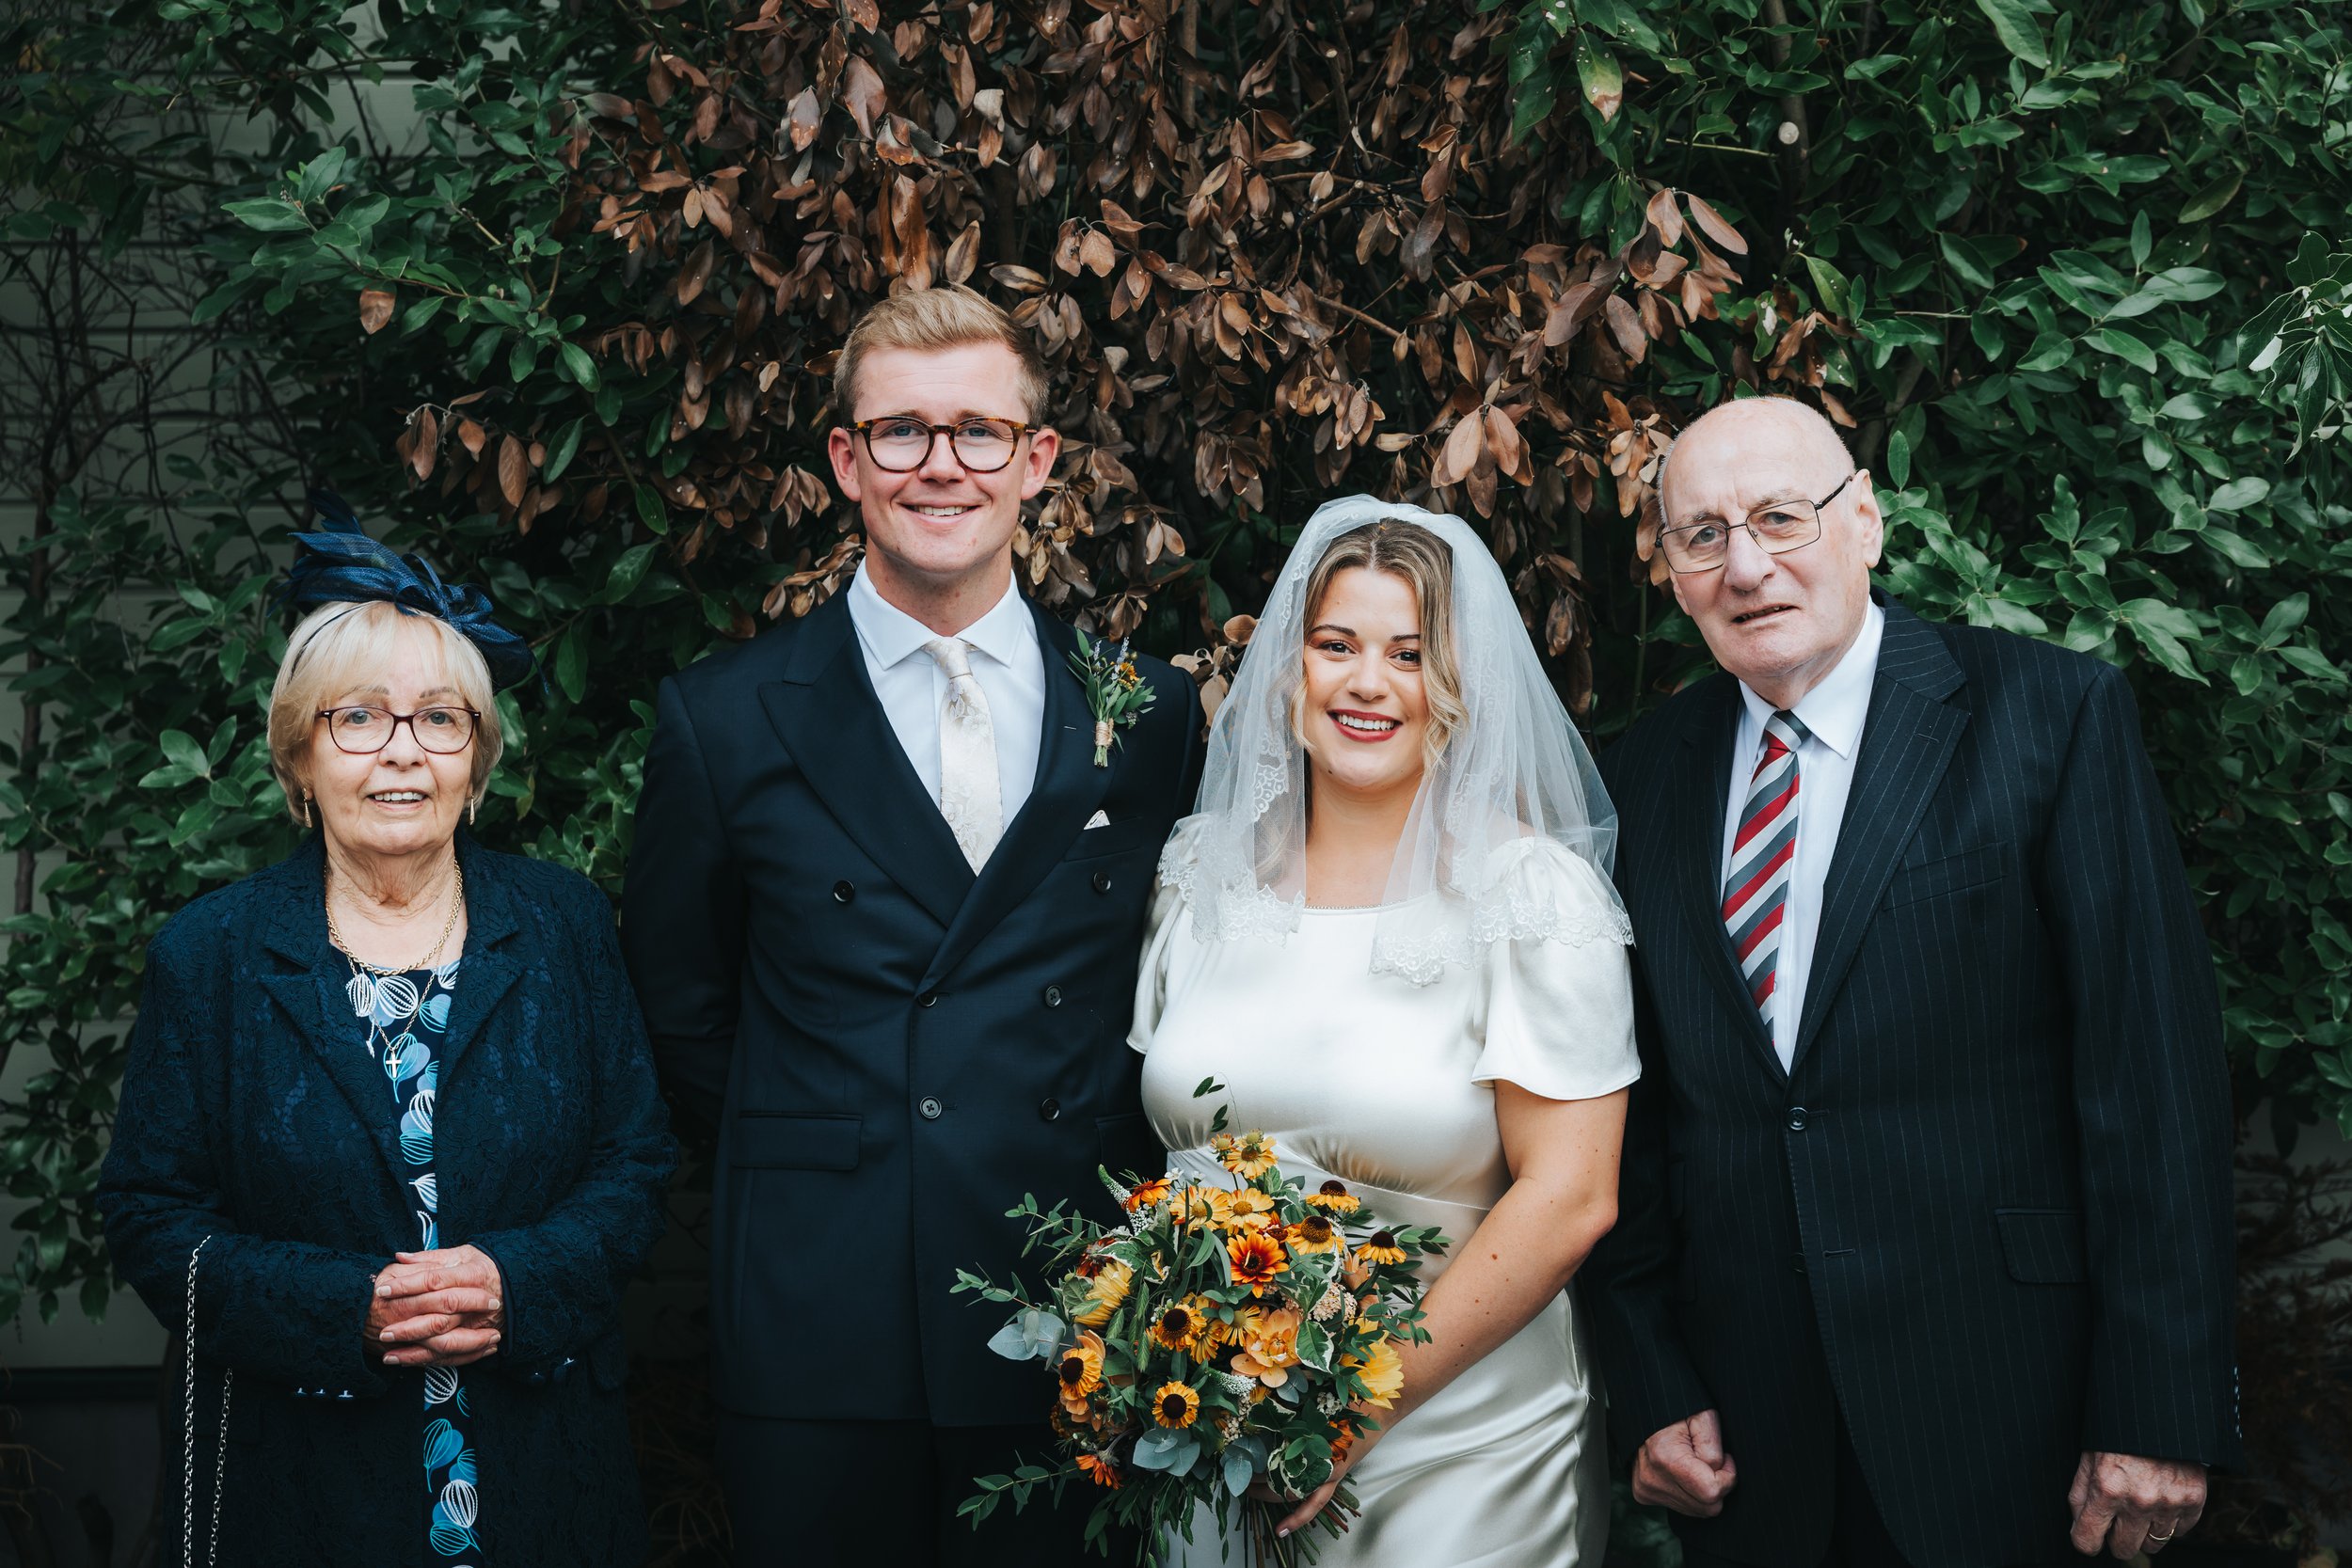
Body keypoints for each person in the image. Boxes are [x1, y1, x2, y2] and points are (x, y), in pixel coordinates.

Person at [1579, 396, 2241, 1568]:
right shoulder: (1639, 777)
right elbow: (1628, 1120)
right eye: (1702, 534)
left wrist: (2158, 1404)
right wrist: (1649, 1379)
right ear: (1672, 569)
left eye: (1781, 518)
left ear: (1867, 522)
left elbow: (2151, 1081)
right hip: (1748, 1439)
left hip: (2009, 1410)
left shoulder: (2047, 716)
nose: (1746, 565)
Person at [622, 285, 1204, 1567]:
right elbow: (679, 1003)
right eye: (900, 432)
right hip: (820, 1306)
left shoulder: (1150, 714)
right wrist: (841, 1138)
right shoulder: (724, 718)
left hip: (1076, 1301)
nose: (941, 464)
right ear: (846, 458)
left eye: (979, 432)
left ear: (1035, 460)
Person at [97, 499, 677, 1567]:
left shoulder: (561, 925)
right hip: (297, 1477)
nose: (401, 753)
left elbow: (636, 1162)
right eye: (357, 718)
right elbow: (148, 1214)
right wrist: (344, 1310)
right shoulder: (214, 953)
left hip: (542, 1458)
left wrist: (520, 1280)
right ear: (300, 757)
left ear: (477, 755)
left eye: (439, 719)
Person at [1129, 499, 1638, 1564]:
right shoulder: (1195, 873)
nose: (1368, 682)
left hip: (1460, 1438)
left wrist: (1349, 1412)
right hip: (1219, 1431)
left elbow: (1571, 1196)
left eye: (1411, 653)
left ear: (1462, 685)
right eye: (1336, 645)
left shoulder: (1531, 894)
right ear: (1287, 669)